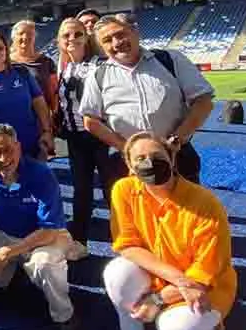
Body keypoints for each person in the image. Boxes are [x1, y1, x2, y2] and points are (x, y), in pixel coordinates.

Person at [102, 132, 236, 330]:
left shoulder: (205, 203)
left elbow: (205, 272)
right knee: (116, 272)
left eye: (157, 155)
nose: (150, 162)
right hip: (168, 277)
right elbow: (128, 245)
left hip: (203, 286)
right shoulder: (123, 190)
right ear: (130, 166)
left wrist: (158, 299)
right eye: (140, 158)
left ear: (172, 158)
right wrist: (178, 281)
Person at [0, 124, 80, 330]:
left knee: (44, 264)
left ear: (19, 147)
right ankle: (13, 278)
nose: (3, 159)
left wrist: (8, 252)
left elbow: (49, 230)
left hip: (47, 237)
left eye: (8, 150)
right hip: (5, 234)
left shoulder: (41, 174)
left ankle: (64, 314)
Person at [79, 13, 214, 194]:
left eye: (120, 34)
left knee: (187, 217)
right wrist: (127, 148)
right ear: (102, 47)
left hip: (178, 155)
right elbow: (90, 120)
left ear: (135, 32)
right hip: (125, 161)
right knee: (134, 217)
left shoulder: (170, 60)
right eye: (107, 40)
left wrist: (177, 139)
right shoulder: (97, 75)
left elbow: (204, 102)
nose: (116, 43)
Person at [55, 18, 105, 254]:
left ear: (87, 37)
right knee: (81, 190)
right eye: (66, 35)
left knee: (113, 189)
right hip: (76, 138)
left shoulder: (99, 64)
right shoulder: (64, 67)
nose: (72, 39)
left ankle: (133, 242)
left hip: (102, 136)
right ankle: (79, 241)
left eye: (77, 34)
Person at [0, 30, 54, 162]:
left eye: (0, 48)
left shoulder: (21, 72)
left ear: (7, 51)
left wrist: (47, 131)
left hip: (31, 147)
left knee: (37, 181)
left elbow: (39, 103)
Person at [9, 19, 58, 114]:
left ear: (35, 37)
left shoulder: (46, 61)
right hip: (14, 114)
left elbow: (53, 91)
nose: (25, 37)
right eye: (21, 33)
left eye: (30, 33)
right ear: (13, 38)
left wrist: (54, 112)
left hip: (41, 115)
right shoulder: (6, 62)